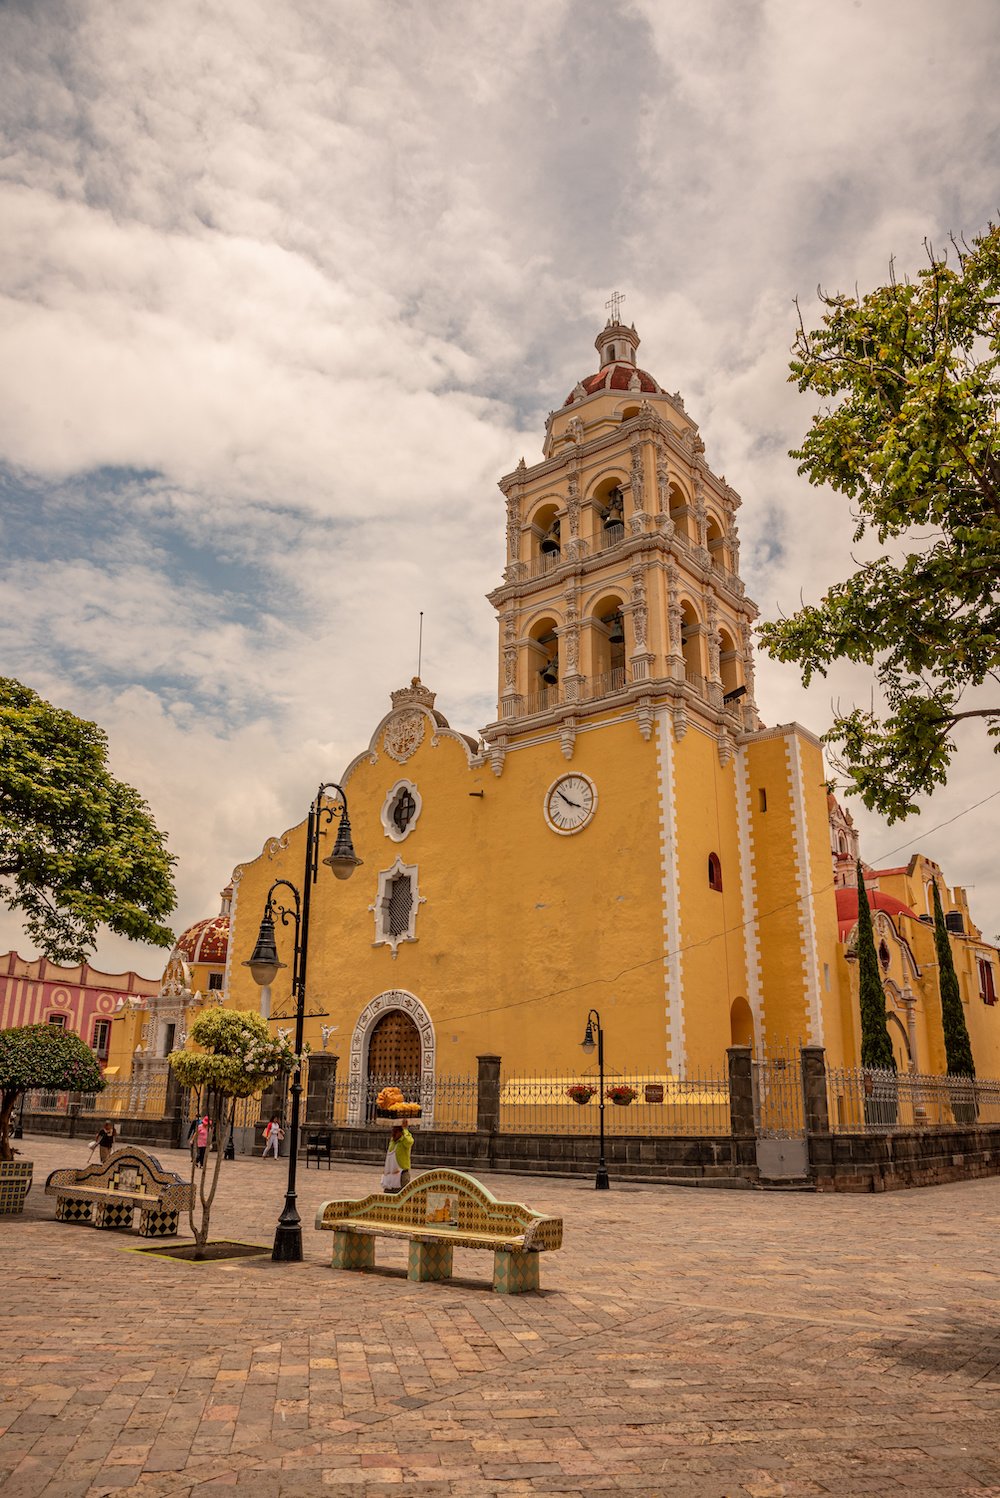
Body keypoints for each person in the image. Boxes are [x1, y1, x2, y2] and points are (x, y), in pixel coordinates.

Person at [384, 1122, 413, 1193]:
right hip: (390, 1176)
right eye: (393, 1131)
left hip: (402, 1175)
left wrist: (405, 1129)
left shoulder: (405, 1142)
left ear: (401, 1133)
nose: (393, 1134)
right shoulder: (392, 1142)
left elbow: (410, 1141)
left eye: (396, 1131)